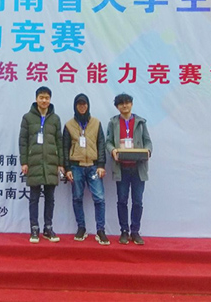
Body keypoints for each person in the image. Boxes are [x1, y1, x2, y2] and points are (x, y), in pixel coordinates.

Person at [106, 93, 153, 245]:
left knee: (138, 201)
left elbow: (148, 142)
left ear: (131, 104)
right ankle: (124, 231)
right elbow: (108, 141)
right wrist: (112, 150)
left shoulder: (140, 122)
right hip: (122, 168)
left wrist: (148, 151)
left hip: (138, 168)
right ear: (117, 107)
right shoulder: (113, 123)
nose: (124, 106)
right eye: (121, 104)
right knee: (122, 200)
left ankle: (135, 231)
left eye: (127, 103)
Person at [63, 93, 109, 245]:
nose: (82, 107)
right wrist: (67, 168)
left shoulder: (96, 123)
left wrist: (101, 165)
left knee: (99, 198)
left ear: (88, 105)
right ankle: (81, 228)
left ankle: (100, 230)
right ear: (75, 106)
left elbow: (101, 144)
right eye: (79, 104)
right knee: (77, 197)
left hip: (93, 166)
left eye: (84, 104)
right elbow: (65, 148)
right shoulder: (69, 125)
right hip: (76, 166)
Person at [19, 86, 64, 243]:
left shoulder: (55, 119)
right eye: (41, 97)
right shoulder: (27, 118)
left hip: (51, 163)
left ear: (50, 99)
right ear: (36, 99)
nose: (44, 100)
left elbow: (59, 142)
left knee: (50, 198)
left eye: (47, 98)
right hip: (34, 162)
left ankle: (48, 228)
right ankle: (34, 228)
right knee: (34, 198)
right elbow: (23, 141)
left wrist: (60, 163)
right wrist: (24, 162)